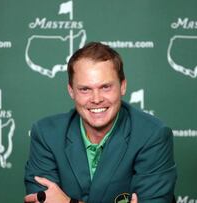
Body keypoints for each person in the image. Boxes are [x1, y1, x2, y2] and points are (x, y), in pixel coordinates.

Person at [24, 42, 177, 203]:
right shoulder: (46, 134)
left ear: (123, 86)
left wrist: (69, 202)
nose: (96, 99)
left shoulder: (152, 135)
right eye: (85, 89)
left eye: (105, 87)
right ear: (71, 91)